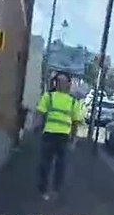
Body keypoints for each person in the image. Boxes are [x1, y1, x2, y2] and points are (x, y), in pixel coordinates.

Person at [33, 72, 85, 201]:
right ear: (55, 83)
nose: (60, 84)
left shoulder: (73, 101)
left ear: (68, 84)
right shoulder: (48, 96)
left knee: (61, 166)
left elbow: (75, 122)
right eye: (58, 81)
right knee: (45, 164)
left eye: (63, 81)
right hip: (49, 134)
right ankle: (43, 189)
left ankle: (56, 189)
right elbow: (40, 113)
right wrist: (36, 127)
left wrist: (74, 139)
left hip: (64, 137)